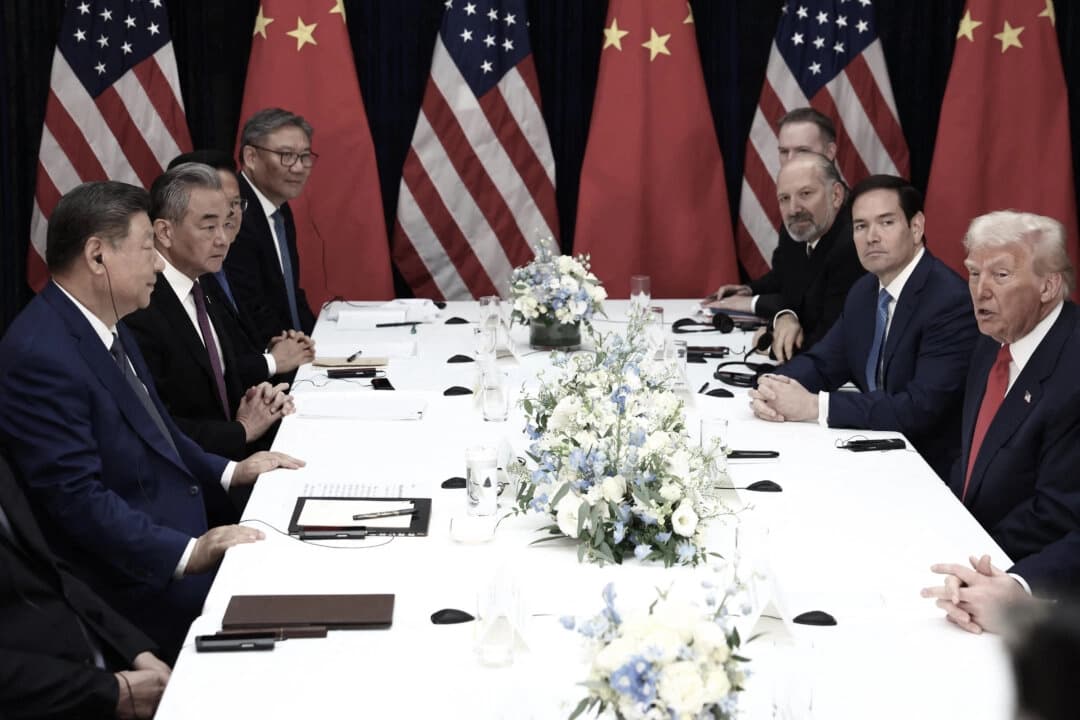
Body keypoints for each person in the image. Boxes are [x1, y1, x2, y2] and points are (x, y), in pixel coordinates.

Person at [0, 181, 304, 660]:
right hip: (134, 586)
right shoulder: (41, 355)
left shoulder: (106, 322)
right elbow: (76, 501)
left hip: (180, 538)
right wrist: (187, 553)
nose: (160, 264)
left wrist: (231, 471)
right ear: (97, 256)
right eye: (147, 248)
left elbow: (161, 431)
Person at [748, 175, 977, 479]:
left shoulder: (949, 301)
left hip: (928, 471)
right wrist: (774, 387)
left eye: (886, 223)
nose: (871, 237)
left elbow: (920, 408)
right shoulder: (864, 291)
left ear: (916, 227)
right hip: (869, 452)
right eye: (860, 226)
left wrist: (816, 406)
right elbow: (823, 363)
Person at [921, 210, 1080, 633]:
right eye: (974, 273)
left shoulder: (1073, 370)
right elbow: (974, 459)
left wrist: (978, 565)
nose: (980, 290)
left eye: (1001, 275)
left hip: (1032, 584)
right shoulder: (992, 342)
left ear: (1048, 285)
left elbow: (1057, 513)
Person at [125, 163, 295, 460]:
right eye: (208, 227)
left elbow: (222, 380)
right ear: (164, 232)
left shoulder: (203, 282)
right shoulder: (140, 304)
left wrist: (258, 399)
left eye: (226, 224)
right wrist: (241, 431)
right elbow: (157, 424)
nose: (223, 239)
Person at [0, 453, 170, 720]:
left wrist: (135, 650)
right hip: (60, 698)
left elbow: (51, 569)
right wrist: (109, 692)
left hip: (106, 674)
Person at [166, 150, 315, 386]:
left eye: (235, 203)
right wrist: (271, 361)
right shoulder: (188, 273)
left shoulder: (224, 261)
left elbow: (236, 344)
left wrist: (272, 348)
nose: (231, 214)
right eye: (218, 206)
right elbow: (205, 373)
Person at [707, 151, 863, 361]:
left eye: (805, 194)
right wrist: (780, 312)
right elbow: (788, 282)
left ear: (836, 196)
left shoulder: (851, 246)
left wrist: (770, 345)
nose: (793, 209)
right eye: (784, 198)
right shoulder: (800, 230)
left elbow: (830, 346)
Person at [224, 108, 318, 347]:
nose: (298, 167)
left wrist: (318, 339)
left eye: (304, 156)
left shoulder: (279, 206)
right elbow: (250, 306)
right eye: (286, 155)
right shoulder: (233, 212)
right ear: (251, 157)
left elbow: (288, 294)